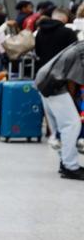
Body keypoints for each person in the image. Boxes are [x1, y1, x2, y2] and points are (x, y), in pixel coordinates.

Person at [34, 40, 84, 180]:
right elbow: (73, 80)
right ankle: (70, 167)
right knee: (72, 124)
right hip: (52, 83)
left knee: (65, 126)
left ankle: (66, 163)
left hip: (45, 79)